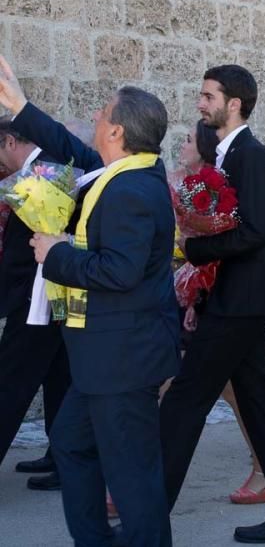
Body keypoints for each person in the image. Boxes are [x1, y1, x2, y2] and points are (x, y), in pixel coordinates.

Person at [158, 65, 265, 543]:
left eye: (208, 96)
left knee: (184, 400)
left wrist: (194, 248)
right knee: (261, 406)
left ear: (234, 104)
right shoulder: (225, 156)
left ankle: (147, 517)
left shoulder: (250, 155)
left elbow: (256, 232)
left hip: (239, 302)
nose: (200, 104)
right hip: (232, 299)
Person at [29, 86, 180, 547]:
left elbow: (119, 270)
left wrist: (54, 254)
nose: (94, 116)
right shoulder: (126, 174)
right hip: (104, 358)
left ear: (116, 130)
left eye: (102, 112)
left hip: (123, 359)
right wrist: (18, 106)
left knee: (133, 478)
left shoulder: (130, 188)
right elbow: (70, 147)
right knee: (71, 442)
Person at [0, 115, 75, 492]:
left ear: (11, 141)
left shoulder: (46, 173)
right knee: (58, 375)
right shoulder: (46, 168)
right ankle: (63, 456)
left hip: (37, 299)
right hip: (46, 296)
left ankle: (64, 458)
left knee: (10, 381)